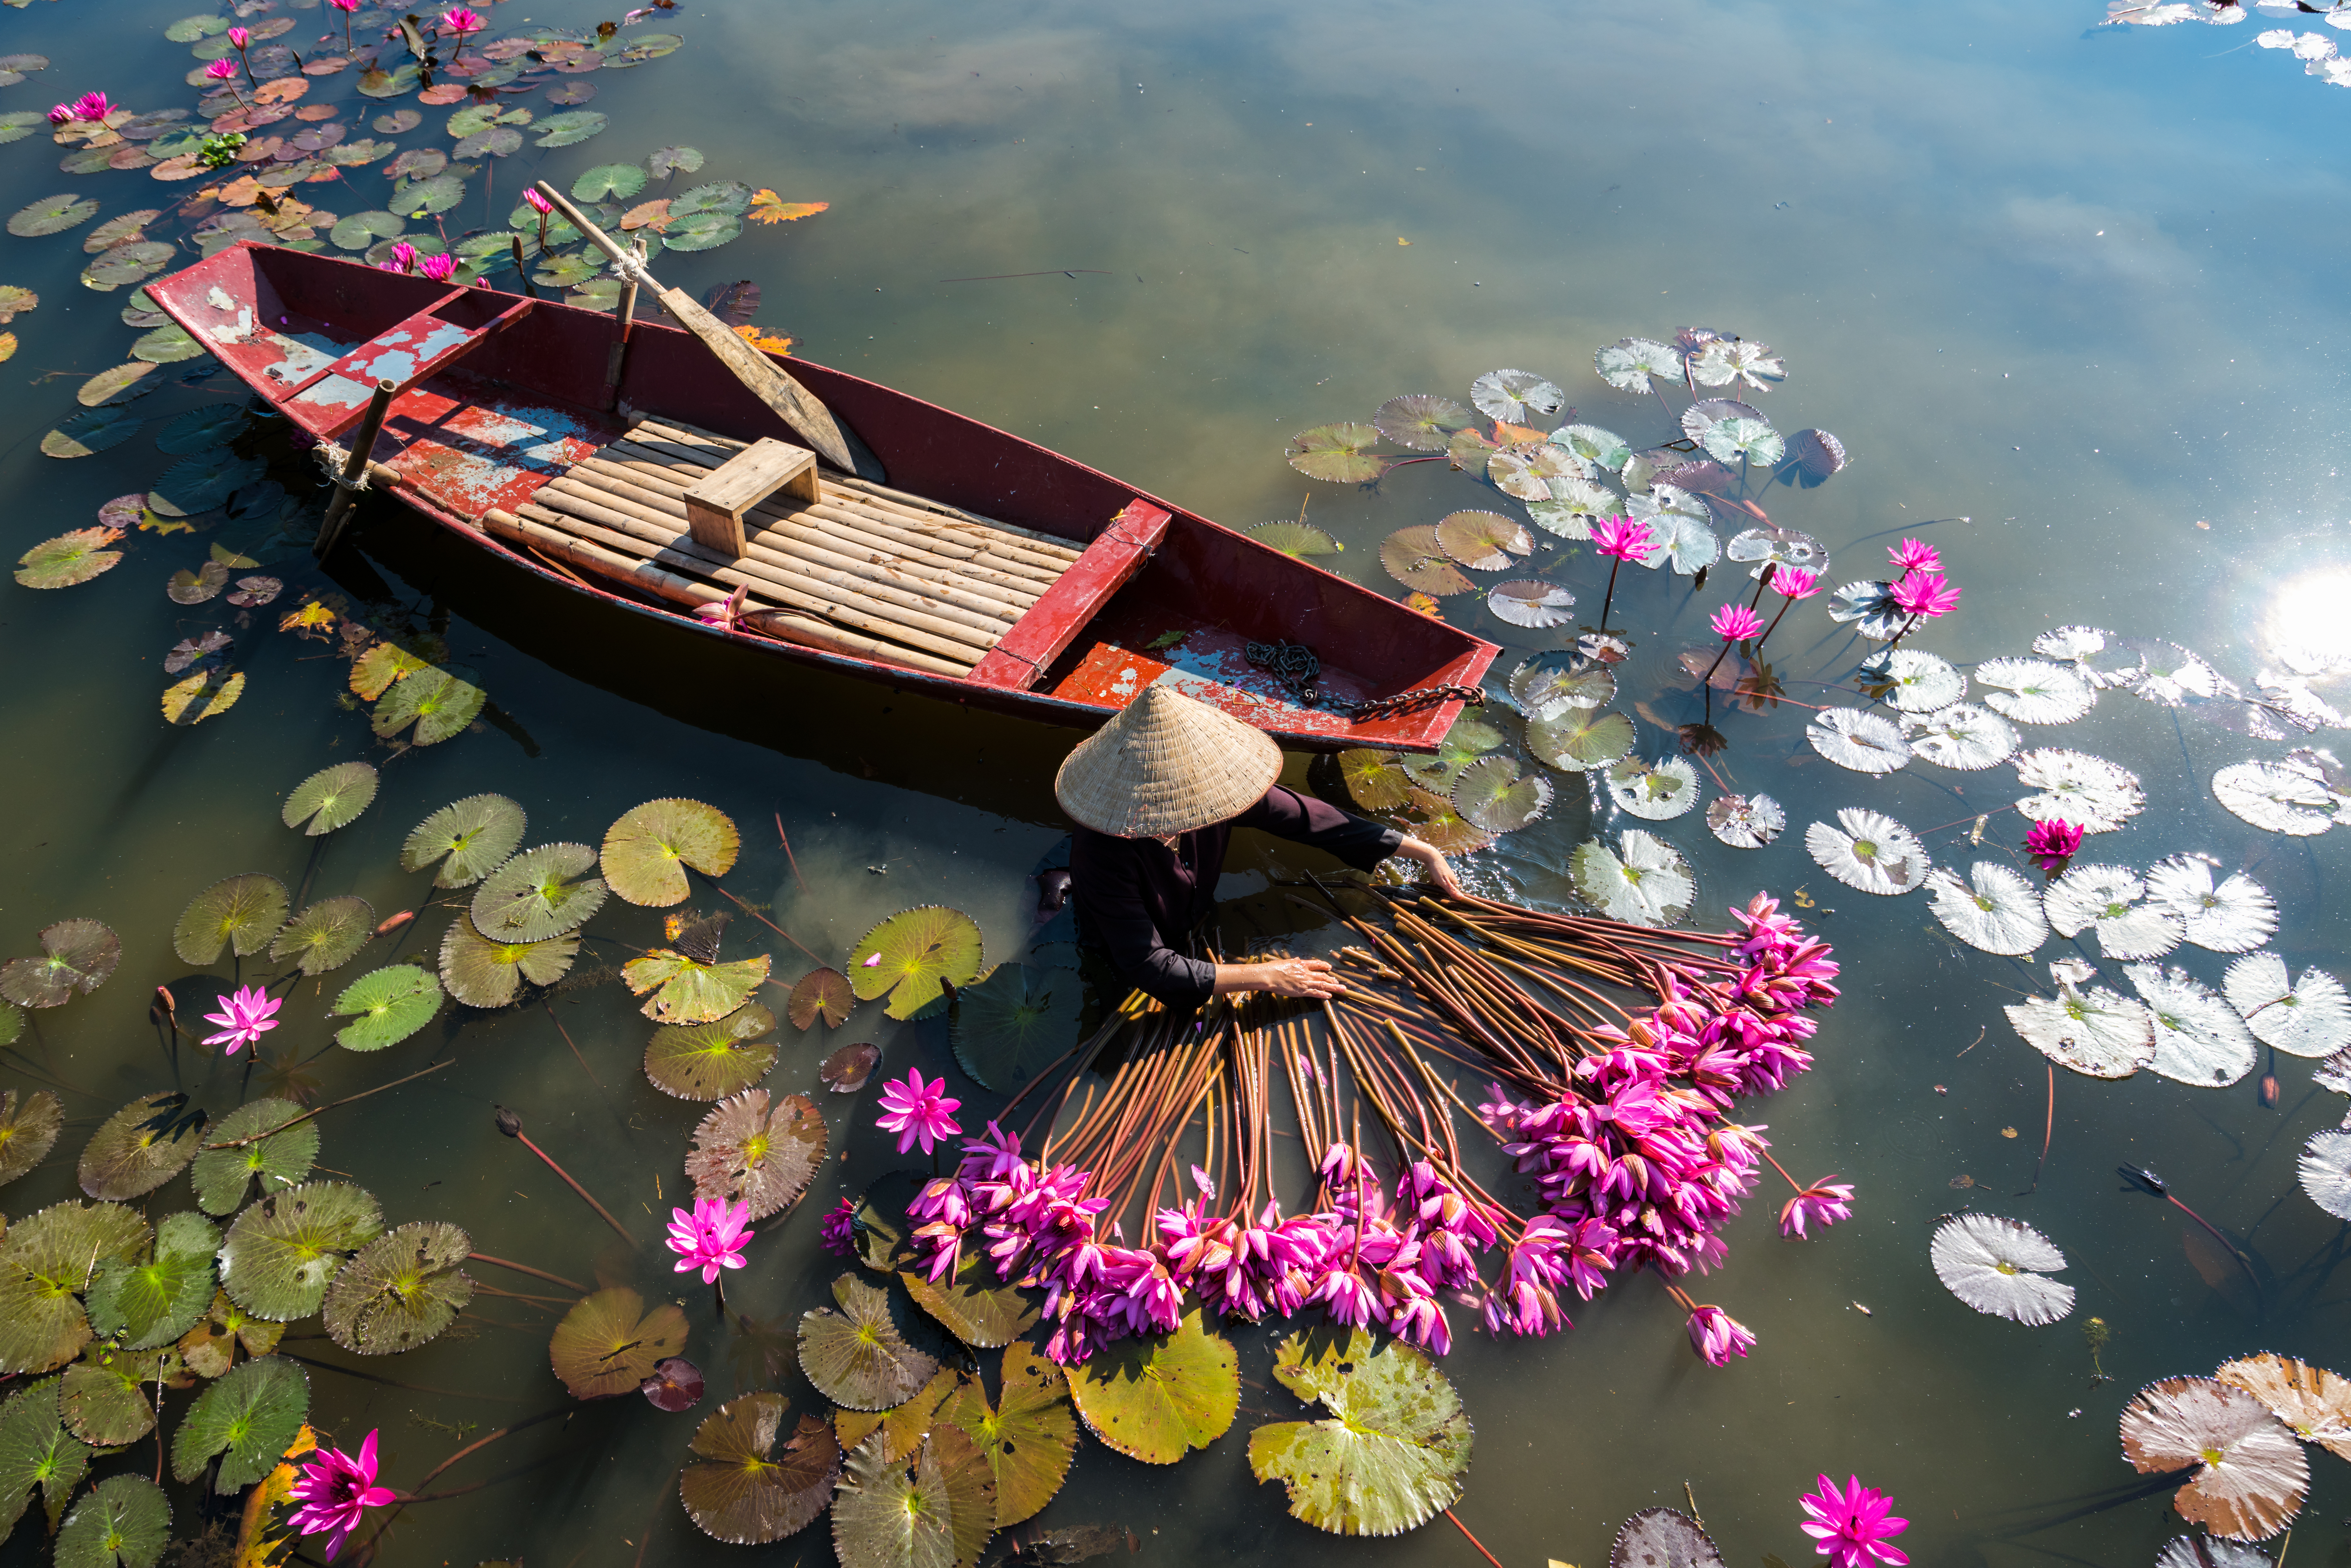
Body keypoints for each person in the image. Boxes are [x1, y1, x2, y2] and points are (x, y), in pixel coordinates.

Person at [1056, 686, 1462, 1010]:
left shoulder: (1215, 793)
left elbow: (1310, 818)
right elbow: (1147, 964)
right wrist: (1269, 975)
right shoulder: (1101, 852)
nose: (1196, 808)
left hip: (1193, 923)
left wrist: (1423, 852)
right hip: (1119, 948)